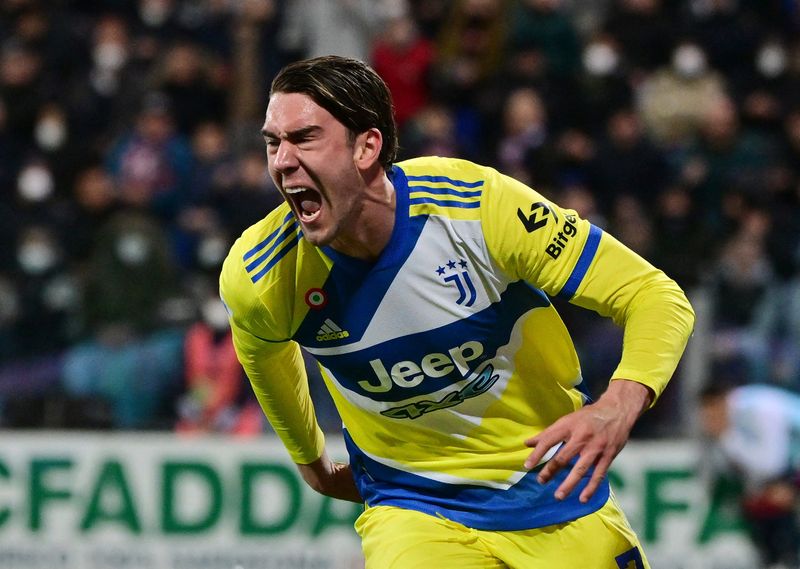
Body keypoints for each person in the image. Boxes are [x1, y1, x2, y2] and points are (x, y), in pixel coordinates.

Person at [219, 55, 695, 568]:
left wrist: (616, 405)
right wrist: (312, 463)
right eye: (273, 142)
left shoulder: (473, 206)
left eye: (305, 138)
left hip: (554, 488)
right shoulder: (262, 274)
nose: (282, 161)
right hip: (415, 507)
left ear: (367, 146)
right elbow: (263, 354)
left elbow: (654, 295)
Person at [699, 383, 800, 569]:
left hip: (787, 468)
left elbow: (771, 463)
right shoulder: (736, 417)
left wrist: (726, 437)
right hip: (787, 467)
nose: (709, 421)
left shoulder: (760, 409)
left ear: (723, 402)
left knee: (774, 504)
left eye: (712, 414)